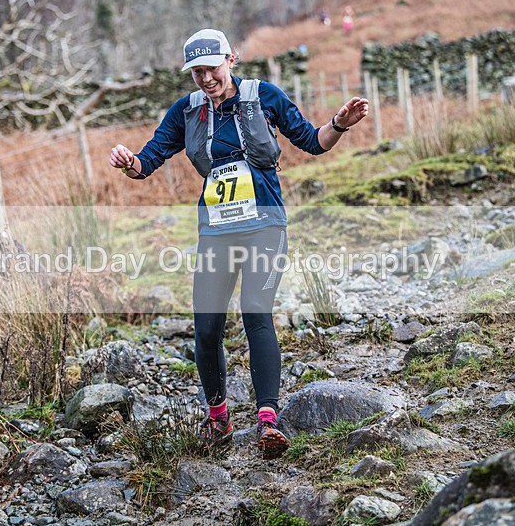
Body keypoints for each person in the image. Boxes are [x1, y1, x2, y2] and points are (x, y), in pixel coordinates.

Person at [109, 29, 368, 460]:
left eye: (212, 68)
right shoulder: (187, 112)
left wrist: (339, 123)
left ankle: (268, 420)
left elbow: (312, 141)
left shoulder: (263, 96)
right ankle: (218, 418)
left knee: (255, 314)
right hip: (216, 232)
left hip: (265, 225)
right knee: (207, 327)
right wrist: (129, 162)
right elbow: (149, 160)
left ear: (231, 59)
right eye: (197, 72)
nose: (206, 78)